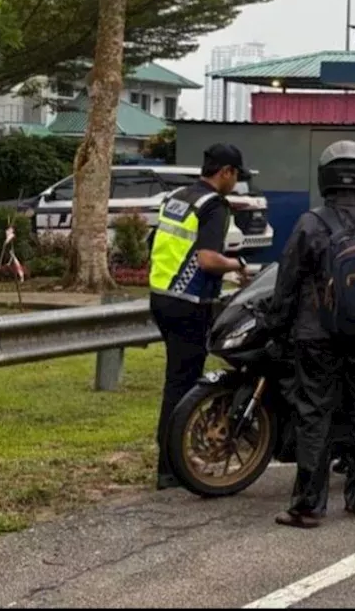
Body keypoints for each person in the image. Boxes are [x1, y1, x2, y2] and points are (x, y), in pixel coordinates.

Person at [263, 141, 355, 526]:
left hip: (317, 336)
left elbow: (287, 283)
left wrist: (276, 328)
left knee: (314, 416)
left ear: (325, 177)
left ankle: (309, 505)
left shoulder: (312, 223)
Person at [148, 143, 248, 491]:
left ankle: (169, 463)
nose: (236, 183)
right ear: (226, 173)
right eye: (236, 176)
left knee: (176, 381)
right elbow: (207, 259)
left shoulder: (178, 197)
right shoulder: (214, 205)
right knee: (185, 386)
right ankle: (171, 468)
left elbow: (156, 244)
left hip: (161, 297)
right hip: (189, 301)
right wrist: (239, 266)